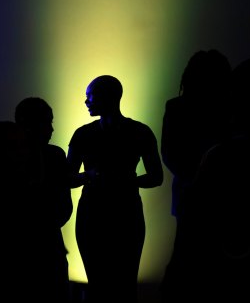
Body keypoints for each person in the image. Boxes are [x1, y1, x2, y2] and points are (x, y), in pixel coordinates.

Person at [67, 75, 163, 303]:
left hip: (95, 213)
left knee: (101, 284)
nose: (86, 101)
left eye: (90, 96)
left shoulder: (83, 134)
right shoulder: (140, 132)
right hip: (124, 212)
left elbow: (67, 177)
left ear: (107, 97)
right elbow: (155, 177)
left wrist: (88, 176)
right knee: (123, 284)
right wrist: (129, 181)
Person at [159, 49, 232, 301]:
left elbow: (169, 153)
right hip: (217, 195)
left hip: (191, 195)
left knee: (186, 261)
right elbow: (169, 153)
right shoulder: (229, 107)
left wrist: (193, 177)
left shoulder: (177, 106)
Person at [13, 97, 73, 303]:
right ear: (28, 125)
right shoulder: (55, 155)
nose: (51, 129)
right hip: (49, 243)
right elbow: (64, 205)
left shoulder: (55, 155)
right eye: (47, 123)